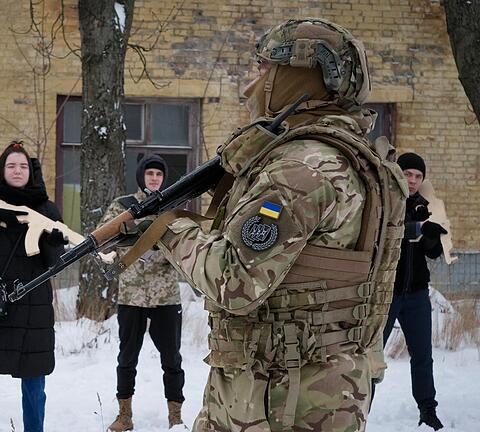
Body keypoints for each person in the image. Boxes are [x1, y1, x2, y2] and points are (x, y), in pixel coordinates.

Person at [152, 19, 407, 431]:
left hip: (277, 400)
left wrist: (165, 230)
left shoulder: (300, 169)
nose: (251, 85)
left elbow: (233, 281)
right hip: (325, 387)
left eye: (264, 70)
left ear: (297, 78)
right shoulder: (358, 159)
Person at [0, 141, 67, 432]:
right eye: (11, 165)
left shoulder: (46, 208)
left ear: (30, 172)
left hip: (33, 305)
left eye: (22, 166)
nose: (17, 170)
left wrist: (53, 239)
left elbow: (54, 263)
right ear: (1, 169)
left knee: (34, 386)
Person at [101, 154, 185, 431]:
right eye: (149, 173)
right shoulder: (123, 207)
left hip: (166, 296)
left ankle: (175, 416)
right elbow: (102, 241)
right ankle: (124, 415)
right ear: (141, 176)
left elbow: (187, 245)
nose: (154, 178)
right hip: (132, 295)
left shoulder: (173, 208)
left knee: (172, 359)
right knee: (127, 357)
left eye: (158, 175)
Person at [382, 152, 446, 430]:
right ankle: (360, 409)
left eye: (418, 176)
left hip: (417, 294)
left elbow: (431, 254)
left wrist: (433, 237)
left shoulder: (424, 205)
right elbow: (388, 232)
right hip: (387, 294)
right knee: (371, 356)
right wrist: (419, 227)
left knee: (422, 355)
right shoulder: (386, 201)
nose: (412, 180)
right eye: (408, 174)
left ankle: (428, 409)